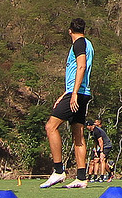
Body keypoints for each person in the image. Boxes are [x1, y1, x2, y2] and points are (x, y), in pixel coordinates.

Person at [40, 18, 94, 188]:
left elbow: (81, 67)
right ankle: (81, 177)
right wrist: (66, 93)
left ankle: (58, 170)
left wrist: (73, 94)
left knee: (51, 126)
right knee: (78, 134)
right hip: (80, 92)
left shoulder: (79, 43)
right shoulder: (88, 44)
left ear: (69, 31)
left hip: (77, 92)